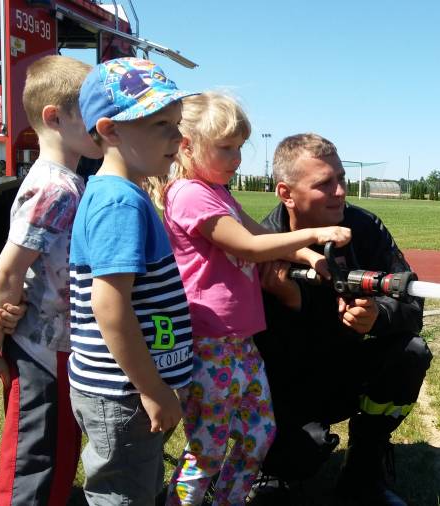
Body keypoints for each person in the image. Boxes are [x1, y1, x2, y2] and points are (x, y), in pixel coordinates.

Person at [145, 92, 351, 504]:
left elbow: (261, 234)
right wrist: (314, 234)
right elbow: (249, 247)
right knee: (207, 449)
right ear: (188, 146)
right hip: (208, 342)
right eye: (226, 147)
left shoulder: (218, 192)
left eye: (240, 147)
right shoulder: (189, 194)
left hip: (239, 341)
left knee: (258, 434)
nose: (237, 158)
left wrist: (307, 255)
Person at [253, 133, 432, 506]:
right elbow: (256, 347)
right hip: (285, 382)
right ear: (286, 193)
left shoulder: (365, 229)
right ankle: (272, 471)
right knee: (300, 454)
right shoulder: (262, 243)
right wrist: (291, 303)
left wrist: (377, 316)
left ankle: (363, 470)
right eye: (324, 183)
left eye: (341, 179)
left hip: (345, 368)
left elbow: (412, 304)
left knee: (410, 353)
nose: (340, 191)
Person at [0, 55, 99, 505]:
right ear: (54, 117)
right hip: (41, 355)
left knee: (57, 460)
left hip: (60, 349)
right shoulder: (53, 188)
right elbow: (7, 271)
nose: (103, 123)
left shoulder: (69, 182)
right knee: (33, 469)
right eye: (91, 111)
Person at [67, 57, 196, 504]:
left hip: (127, 390)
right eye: (161, 124)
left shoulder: (122, 194)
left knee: (137, 487)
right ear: (110, 130)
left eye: (177, 124)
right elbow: (110, 306)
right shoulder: (119, 202)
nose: (178, 138)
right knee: (122, 495)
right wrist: (153, 388)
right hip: (124, 394)